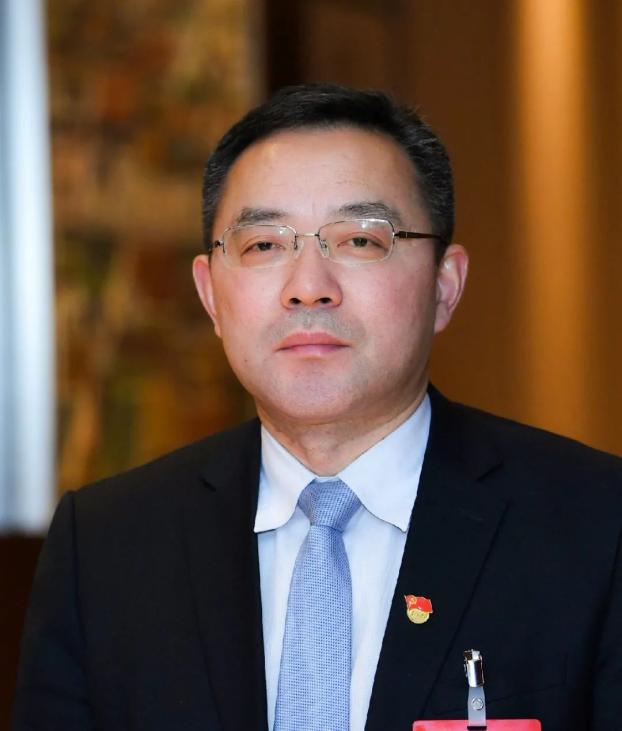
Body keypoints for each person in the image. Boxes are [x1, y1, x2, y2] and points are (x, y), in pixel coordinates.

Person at [12, 84, 622, 731]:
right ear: (210, 295)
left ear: (444, 287)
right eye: (263, 245)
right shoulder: (104, 550)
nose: (308, 288)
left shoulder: (596, 527)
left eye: (359, 240)